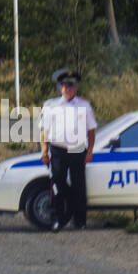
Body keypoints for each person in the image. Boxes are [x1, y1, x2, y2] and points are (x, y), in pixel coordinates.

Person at [39, 68, 96, 231]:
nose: (67, 89)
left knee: (79, 186)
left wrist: (90, 151)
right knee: (57, 185)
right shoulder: (50, 105)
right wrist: (44, 151)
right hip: (58, 149)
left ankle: (80, 221)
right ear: (60, 87)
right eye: (64, 85)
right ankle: (59, 219)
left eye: (71, 86)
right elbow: (44, 131)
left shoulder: (84, 105)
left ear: (76, 87)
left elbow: (91, 130)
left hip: (77, 149)